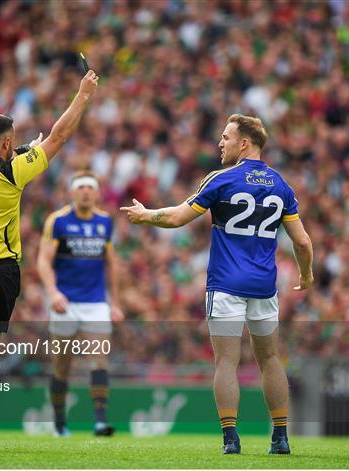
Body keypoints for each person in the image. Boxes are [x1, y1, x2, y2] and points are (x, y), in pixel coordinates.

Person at [120, 114, 313, 455]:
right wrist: (307, 274)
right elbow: (303, 243)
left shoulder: (222, 180)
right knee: (270, 360)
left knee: (227, 361)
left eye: (226, 137)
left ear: (244, 143)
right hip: (264, 287)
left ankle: (231, 439)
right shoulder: (280, 185)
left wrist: (146, 215)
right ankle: (280, 437)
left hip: (225, 284)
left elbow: (178, 217)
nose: (220, 143)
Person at [0, 70, 99, 451]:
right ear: (9, 143)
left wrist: (22, 150)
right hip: (1, 273)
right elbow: (60, 136)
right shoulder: (15, 171)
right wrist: (82, 94)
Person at [37, 170, 123, 437]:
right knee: (62, 365)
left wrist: (115, 302)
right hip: (65, 302)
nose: (86, 191)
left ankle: (100, 421)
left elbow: (111, 264)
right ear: (72, 192)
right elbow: (43, 260)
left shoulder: (105, 222)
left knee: (99, 360)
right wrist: (52, 293)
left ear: (97, 193)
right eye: (81, 187)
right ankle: (60, 422)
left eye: (90, 187)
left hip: (95, 303)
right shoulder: (58, 221)